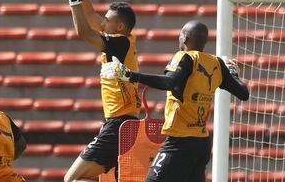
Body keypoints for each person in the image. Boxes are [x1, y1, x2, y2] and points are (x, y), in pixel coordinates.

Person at [100, 20, 250, 182]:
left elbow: (169, 82)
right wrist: (233, 73)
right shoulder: (217, 64)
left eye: (180, 36)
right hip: (201, 143)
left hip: (179, 141)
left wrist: (130, 75)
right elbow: (243, 93)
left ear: (185, 38)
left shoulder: (185, 57)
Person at [59, 0, 141, 182]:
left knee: (71, 179)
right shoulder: (122, 41)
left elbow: (84, 32)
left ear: (120, 26)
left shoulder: (119, 42)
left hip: (118, 125)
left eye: (107, 20)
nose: (102, 23)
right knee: (92, 179)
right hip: (123, 123)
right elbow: (92, 17)